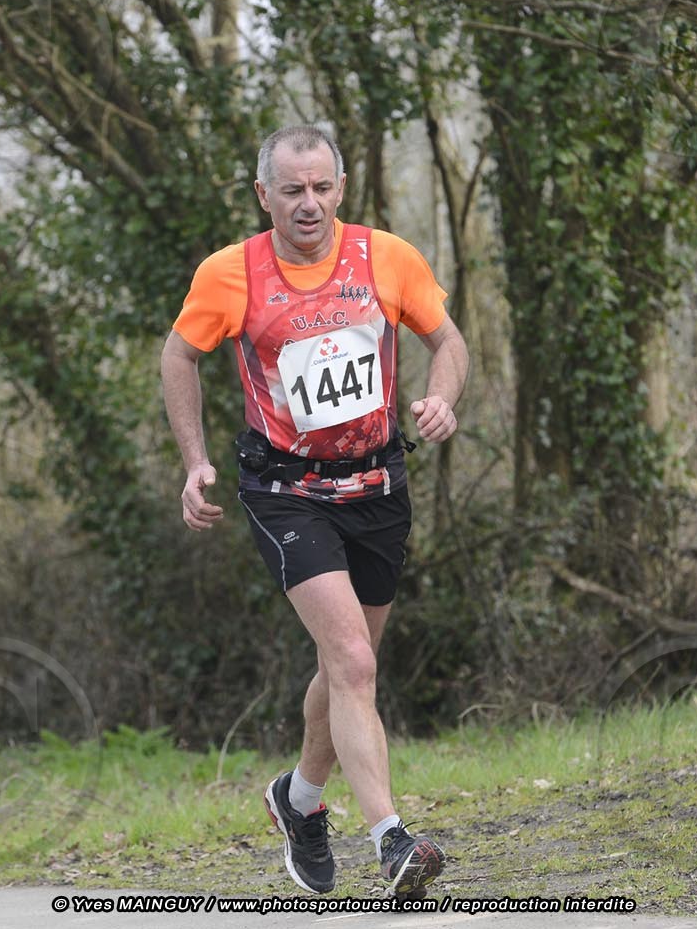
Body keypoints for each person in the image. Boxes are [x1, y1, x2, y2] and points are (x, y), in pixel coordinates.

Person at [160, 125, 469, 898]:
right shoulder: (231, 273)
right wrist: (195, 462)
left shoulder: (386, 258)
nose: (309, 204)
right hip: (287, 490)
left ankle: (298, 800)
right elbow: (178, 356)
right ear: (263, 194)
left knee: (348, 663)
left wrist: (441, 398)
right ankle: (392, 841)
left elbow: (449, 342)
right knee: (354, 661)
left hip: (378, 486)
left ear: (341, 189)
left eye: (322, 188)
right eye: (292, 190)